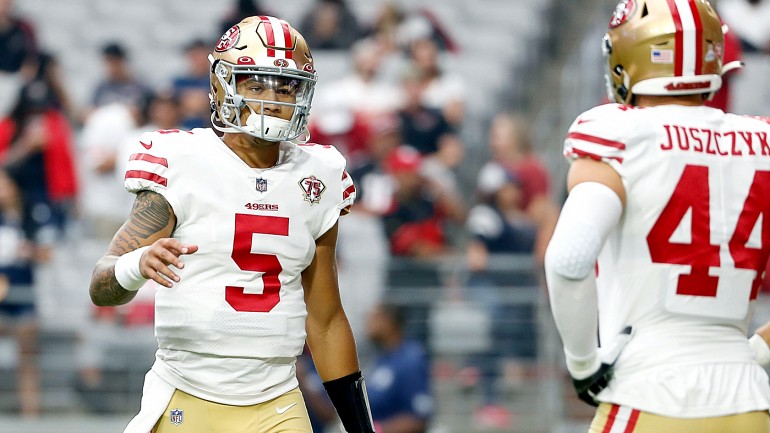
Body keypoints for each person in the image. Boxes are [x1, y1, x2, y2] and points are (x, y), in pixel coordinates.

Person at [88, 16, 375, 433]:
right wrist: (137, 264)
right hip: (186, 393)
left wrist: (362, 429)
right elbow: (100, 287)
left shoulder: (319, 176)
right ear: (225, 85)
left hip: (278, 399)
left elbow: (326, 319)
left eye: (286, 85)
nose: (273, 99)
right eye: (256, 84)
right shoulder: (181, 160)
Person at [544, 1, 770, 431]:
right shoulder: (761, 140)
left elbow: (569, 258)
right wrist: (758, 350)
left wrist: (583, 364)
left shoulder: (620, 133)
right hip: (748, 406)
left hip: (648, 396)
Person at [364, 302, 432, 433]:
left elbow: (419, 418)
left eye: (374, 317)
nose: (368, 323)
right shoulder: (381, 358)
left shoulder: (410, 359)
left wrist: (376, 430)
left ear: (388, 321)